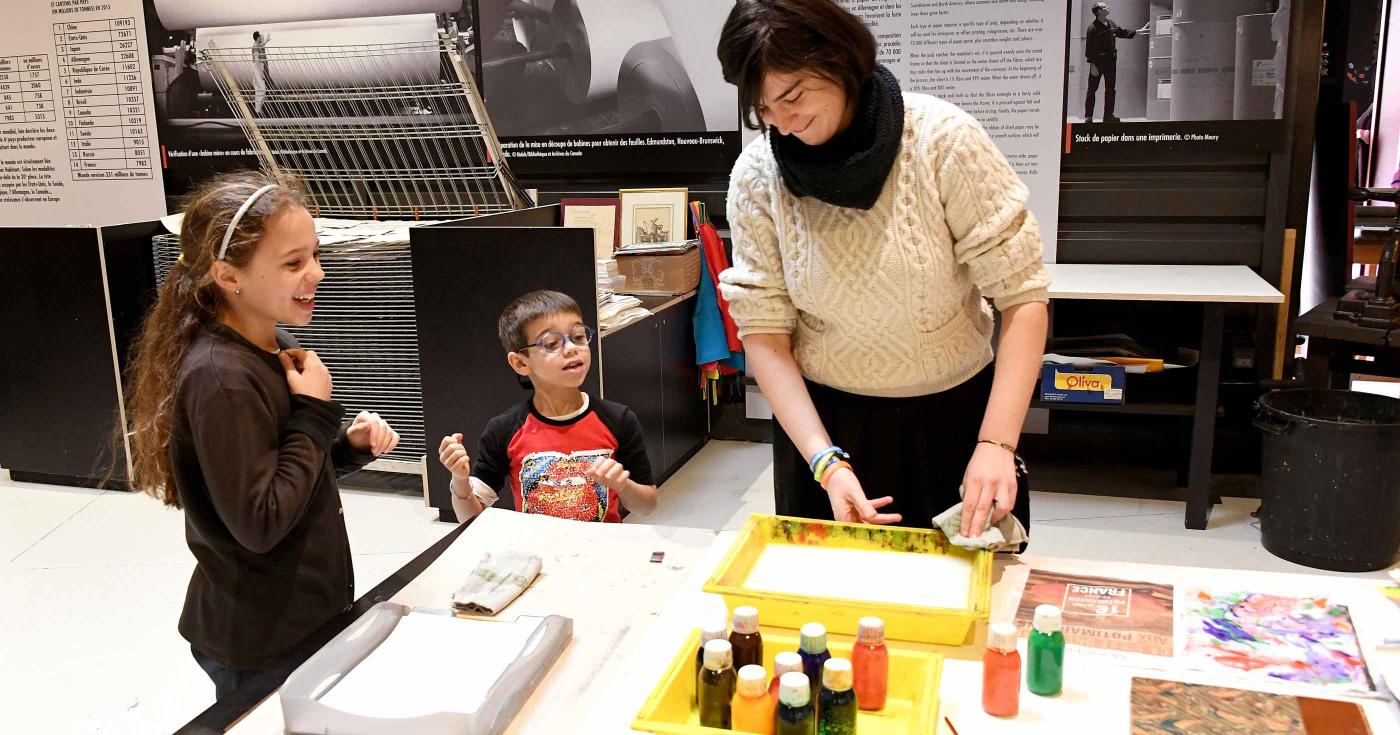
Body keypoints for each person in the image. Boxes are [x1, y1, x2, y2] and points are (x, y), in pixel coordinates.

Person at [715, 0, 1049, 540]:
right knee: (825, 610)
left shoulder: (941, 140)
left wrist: (997, 444)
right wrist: (825, 463)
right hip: (823, 429)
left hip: (956, 420)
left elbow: (1023, 299)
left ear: (840, 59)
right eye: (763, 111)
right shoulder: (759, 175)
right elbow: (764, 333)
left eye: (793, 96)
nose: (783, 123)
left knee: (965, 605)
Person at [123, 172, 401, 700]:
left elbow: (276, 475)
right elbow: (261, 521)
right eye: (293, 263)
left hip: (300, 621)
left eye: (315, 255)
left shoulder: (270, 343)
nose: (316, 274)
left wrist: (343, 447)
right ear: (228, 276)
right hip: (262, 640)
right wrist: (315, 413)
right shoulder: (221, 379)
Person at [439, 290, 658, 523]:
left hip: (600, 551)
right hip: (538, 554)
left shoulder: (618, 420)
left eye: (579, 336)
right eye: (552, 343)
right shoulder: (503, 430)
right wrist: (460, 481)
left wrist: (622, 484)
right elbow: (471, 521)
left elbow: (647, 506)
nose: (572, 348)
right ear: (521, 363)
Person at [1083, 2, 1149, 123]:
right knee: (1092, 89)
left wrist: (1138, 31)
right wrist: (1092, 65)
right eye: (1104, 6)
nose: (1108, 7)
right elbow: (1089, 48)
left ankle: (1108, 115)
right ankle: (1088, 116)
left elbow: (1122, 32)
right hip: (1097, 63)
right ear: (1098, 11)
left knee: (1110, 89)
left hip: (1111, 63)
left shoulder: (1111, 24)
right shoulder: (1092, 28)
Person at [252, 31, 272, 115]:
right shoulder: (256, 46)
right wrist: (261, 73)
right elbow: (256, 60)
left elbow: (262, 45)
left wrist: (267, 40)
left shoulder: (257, 45)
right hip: (258, 67)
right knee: (261, 89)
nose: (262, 38)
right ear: (258, 38)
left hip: (259, 67)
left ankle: (258, 109)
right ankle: (257, 110)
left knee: (260, 89)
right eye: (261, 37)